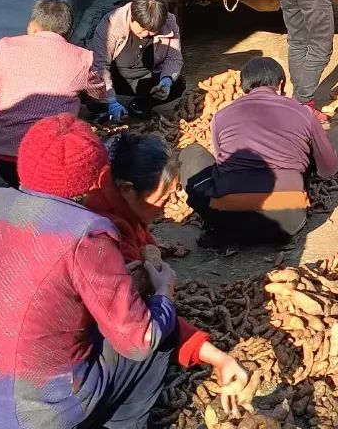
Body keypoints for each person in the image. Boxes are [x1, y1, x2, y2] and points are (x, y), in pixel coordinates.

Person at [0, 114, 246, 429]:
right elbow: (140, 339)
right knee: (151, 335)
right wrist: (162, 294)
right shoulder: (88, 234)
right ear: (102, 179)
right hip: (31, 423)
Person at [85, 132, 246, 386]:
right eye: (163, 199)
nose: (167, 208)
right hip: (72, 371)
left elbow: (143, 238)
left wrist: (152, 255)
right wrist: (215, 356)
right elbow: (140, 321)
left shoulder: (120, 206)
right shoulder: (106, 236)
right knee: (153, 346)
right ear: (127, 189)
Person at [182, 56, 338, 245]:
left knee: (191, 153)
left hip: (226, 217)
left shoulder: (221, 116)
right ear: (281, 85)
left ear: (243, 88)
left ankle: (226, 228)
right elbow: (329, 169)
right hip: (287, 220)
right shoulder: (304, 113)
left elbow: (220, 162)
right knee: (306, 155)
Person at [0, 0, 106, 188]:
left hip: (4, 159)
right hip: (51, 166)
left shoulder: (5, 46)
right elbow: (99, 95)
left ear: (32, 27)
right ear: (68, 33)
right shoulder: (81, 57)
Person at [91, 0, 185, 121]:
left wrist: (166, 80)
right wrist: (111, 100)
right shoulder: (111, 25)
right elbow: (100, 66)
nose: (146, 34)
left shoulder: (169, 23)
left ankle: (139, 106)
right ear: (132, 18)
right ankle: (105, 108)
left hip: (144, 78)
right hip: (115, 78)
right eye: (142, 29)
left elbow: (174, 58)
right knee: (89, 87)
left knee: (177, 84)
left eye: (152, 31)